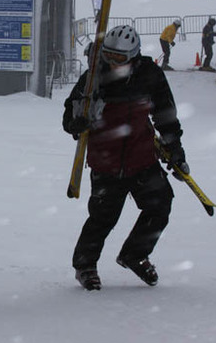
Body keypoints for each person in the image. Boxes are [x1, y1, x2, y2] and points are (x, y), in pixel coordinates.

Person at [62, 25, 187, 291]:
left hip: (141, 156)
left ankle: (135, 254)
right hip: (106, 160)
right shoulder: (94, 76)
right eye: (108, 55)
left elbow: (165, 113)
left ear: (134, 55)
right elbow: (69, 117)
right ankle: (85, 265)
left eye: (120, 58)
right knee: (103, 217)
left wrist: (174, 148)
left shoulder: (149, 75)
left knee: (160, 205)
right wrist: (78, 122)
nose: (113, 62)